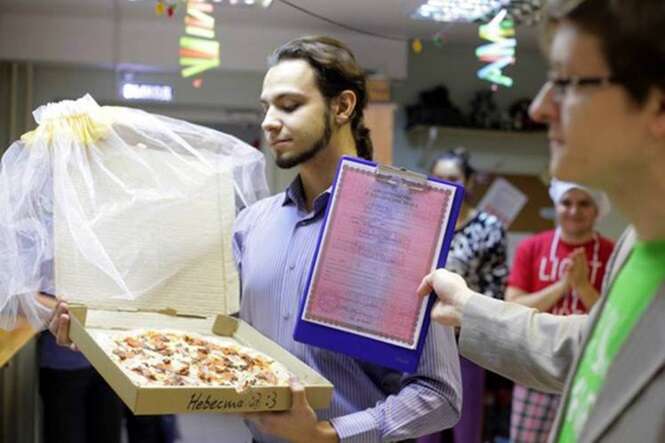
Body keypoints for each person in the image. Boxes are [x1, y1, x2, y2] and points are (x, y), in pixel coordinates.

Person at [52, 36, 462, 442]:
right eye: (265, 107)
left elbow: (439, 394)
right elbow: (203, 334)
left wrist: (328, 434)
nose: (268, 120)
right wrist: (99, 333)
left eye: (288, 105)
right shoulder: (252, 226)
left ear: (343, 106)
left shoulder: (403, 229)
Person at [417, 0, 665, 442]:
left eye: (566, 83)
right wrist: (469, 308)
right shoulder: (637, 243)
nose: (538, 108)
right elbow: (585, 348)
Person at [505, 180, 613, 442]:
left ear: (597, 209)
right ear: (557, 206)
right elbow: (512, 307)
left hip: (587, 370)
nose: (574, 211)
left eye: (584, 203)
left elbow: (612, 318)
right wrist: (563, 286)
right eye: (566, 203)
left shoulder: (613, 252)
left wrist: (583, 286)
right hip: (534, 364)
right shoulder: (532, 247)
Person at [420, 148, 508, 443]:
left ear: (469, 183)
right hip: (423, 340)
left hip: (467, 341)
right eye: (438, 177)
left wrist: (474, 325)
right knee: (424, 427)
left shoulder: (489, 228)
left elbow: (496, 287)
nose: (445, 183)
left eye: (453, 178)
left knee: (466, 429)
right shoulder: (422, 223)